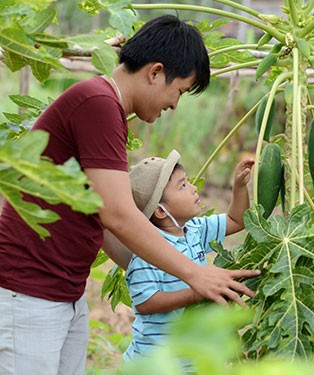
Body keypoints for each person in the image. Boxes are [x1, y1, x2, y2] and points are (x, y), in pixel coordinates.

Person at [0, 15, 259, 375]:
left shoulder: (106, 108)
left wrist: (151, 269)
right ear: (155, 72)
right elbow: (118, 215)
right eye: (179, 91)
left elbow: (97, 215)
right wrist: (194, 276)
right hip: (30, 290)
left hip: (61, 289)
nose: (174, 105)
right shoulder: (98, 104)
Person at [123, 150, 254, 360]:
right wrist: (194, 293)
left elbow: (236, 220)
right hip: (155, 362)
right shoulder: (148, 250)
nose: (194, 189)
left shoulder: (194, 229)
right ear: (161, 211)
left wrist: (239, 187)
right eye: (183, 186)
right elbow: (146, 302)